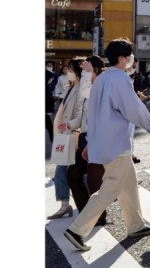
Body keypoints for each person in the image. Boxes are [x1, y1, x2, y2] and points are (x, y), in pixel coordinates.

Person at [63, 38, 150, 252]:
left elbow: (92, 112)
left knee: (128, 185)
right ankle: (77, 230)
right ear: (122, 58)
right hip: (116, 142)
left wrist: (91, 141)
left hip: (105, 142)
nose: (131, 59)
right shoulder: (120, 78)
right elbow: (133, 107)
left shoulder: (101, 79)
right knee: (109, 189)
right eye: (129, 55)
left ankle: (135, 225)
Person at [66, 55, 108, 226]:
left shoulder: (101, 87)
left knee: (94, 181)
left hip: (97, 140)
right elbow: (83, 116)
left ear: (95, 70)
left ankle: (99, 216)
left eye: (87, 69)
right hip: (82, 138)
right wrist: (69, 124)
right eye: (82, 70)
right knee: (73, 175)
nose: (83, 72)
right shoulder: (85, 88)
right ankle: (86, 212)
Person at [48, 57, 84, 220]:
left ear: (77, 71)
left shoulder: (80, 89)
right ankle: (68, 204)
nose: (67, 72)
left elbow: (80, 114)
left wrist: (70, 126)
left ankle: (65, 205)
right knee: (72, 172)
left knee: (62, 172)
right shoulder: (72, 87)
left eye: (70, 69)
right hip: (66, 135)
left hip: (72, 135)